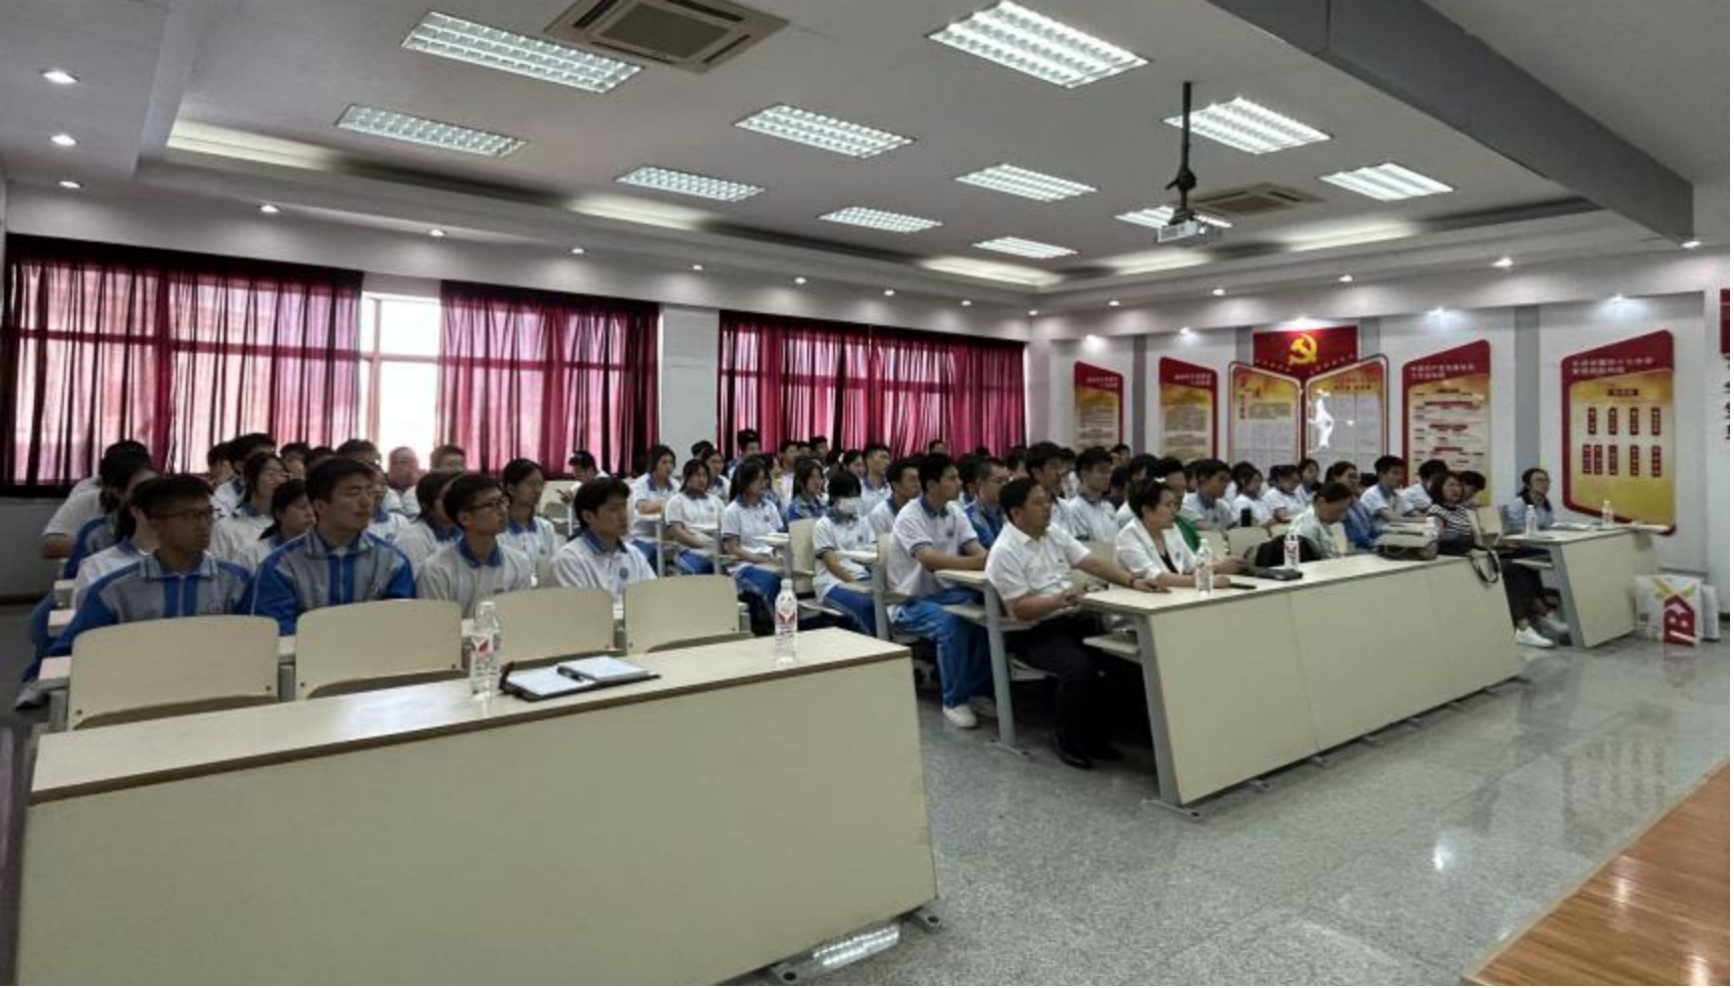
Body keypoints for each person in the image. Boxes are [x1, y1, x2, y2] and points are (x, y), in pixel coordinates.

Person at [989, 478, 1164, 768]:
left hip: (1074, 620)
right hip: (1035, 632)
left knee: (1124, 661)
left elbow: (1091, 563)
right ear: (1016, 513)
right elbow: (1019, 609)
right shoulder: (1004, 551)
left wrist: (1133, 581)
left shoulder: (1053, 532)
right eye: (1038, 502)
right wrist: (1058, 600)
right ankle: (1065, 738)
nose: (1048, 507)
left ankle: (1102, 735)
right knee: (1079, 668)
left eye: (1047, 500)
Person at [52, 475, 252, 655]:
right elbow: (73, 652)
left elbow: (255, 643)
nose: (204, 524)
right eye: (191, 516)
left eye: (208, 513)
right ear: (156, 525)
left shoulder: (237, 582)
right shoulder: (113, 592)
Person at [249, 458, 417, 636]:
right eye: (353, 493)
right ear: (320, 506)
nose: (366, 502)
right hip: (304, 654)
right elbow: (275, 632)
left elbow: (399, 626)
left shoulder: (392, 562)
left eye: (369, 492)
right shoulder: (281, 566)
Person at [888, 454, 994, 730]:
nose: (959, 483)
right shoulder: (910, 515)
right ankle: (954, 700)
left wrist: (981, 559)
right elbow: (930, 560)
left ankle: (978, 690)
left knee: (988, 615)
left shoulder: (955, 512)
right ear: (932, 484)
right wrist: (977, 562)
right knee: (952, 623)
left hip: (948, 593)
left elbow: (978, 550)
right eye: (952, 478)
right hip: (911, 600)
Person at [417, 474, 535, 619]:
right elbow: (437, 626)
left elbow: (518, 619)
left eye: (503, 501)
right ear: (465, 518)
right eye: (492, 504)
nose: (503, 510)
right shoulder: (436, 570)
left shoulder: (519, 562)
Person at [39, 441, 152, 561]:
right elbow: (49, 546)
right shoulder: (87, 500)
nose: (150, 492)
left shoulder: (160, 502)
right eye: (140, 487)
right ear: (116, 491)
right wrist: (107, 548)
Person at [1117, 483, 1248, 586]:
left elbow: (1191, 565)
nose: (1174, 511)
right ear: (1146, 510)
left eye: (1174, 505)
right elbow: (1157, 577)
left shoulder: (1171, 529)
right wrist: (1204, 581)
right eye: (1168, 505)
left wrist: (1220, 566)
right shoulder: (1128, 537)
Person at [553, 479, 658, 604]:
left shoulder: (634, 554)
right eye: (613, 509)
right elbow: (579, 611)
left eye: (624, 506)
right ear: (588, 516)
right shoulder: (569, 559)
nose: (623, 515)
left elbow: (653, 598)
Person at [720, 458, 787, 629]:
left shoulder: (769, 506)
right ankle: (780, 627)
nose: (764, 483)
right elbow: (732, 548)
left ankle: (789, 622)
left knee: (791, 577)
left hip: (770, 561)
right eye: (759, 480)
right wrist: (760, 560)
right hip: (744, 566)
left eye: (766, 479)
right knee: (772, 580)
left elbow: (779, 538)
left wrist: (778, 557)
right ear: (745, 482)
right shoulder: (732, 511)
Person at [812, 472, 879, 636]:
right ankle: (876, 644)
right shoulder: (823, 525)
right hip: (832, 583)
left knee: (886, 601)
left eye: (856, 496)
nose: (854, 500)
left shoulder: (863, 521)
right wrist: (855, 584)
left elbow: (873, 551)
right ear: (835, 497)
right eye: (849, 496)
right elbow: (832, 564)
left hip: (862, 579)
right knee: (863, 605)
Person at [212, 452, 290, 564]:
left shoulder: (290, 523)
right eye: (270, 473)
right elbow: (217, 569)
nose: (278, 480)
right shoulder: (225, 527)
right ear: (249, 478)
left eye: (282, 474)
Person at [393, 471, 464, 574]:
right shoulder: (413, 539)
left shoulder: (463, 531)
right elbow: (417, 581)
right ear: (425, 504)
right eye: (446, 498)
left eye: (456, 496)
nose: (454, 502)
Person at [664, 459, 726, 575]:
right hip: (689, 550)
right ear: (686, 478)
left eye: (704, 476)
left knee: (732, 569)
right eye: (697, 475)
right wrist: (704, 545)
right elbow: (676, 532)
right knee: (702, 569)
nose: (702, 480)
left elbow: (725, 527)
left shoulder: (716, 501)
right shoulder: (676, 501)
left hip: (716, 548)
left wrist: (722, 546)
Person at [499, 459, 561, 572]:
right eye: (531, 484)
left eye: (541, 484)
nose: (538, 490)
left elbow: (554, 568)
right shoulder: (497, 530)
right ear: (511, 489)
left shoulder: (545, 527)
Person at [241, 479, 315, 571]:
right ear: (279, 513)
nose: (310, 513)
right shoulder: (255, 555)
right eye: (302, 507)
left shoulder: (326, 553)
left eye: (314, 506)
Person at [628, 445, 680, 567]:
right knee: (653, 556)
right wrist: (669, 504)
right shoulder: (641, 484)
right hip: (642, 537)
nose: (669, 467)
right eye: (664, 462)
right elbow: (643, 508)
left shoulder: (675, 484)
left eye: (671, 463)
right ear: (653, 464)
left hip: (668, 537)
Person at [1062, 447, 1121, 543]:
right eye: (1102, 471)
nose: (1107, 476)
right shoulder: (1074, 508)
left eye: (1109, 471)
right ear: (1084, 474)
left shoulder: (1109, 507)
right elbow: (1082, 546)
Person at [1286, 483, 1359, 560]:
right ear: (1321, 502)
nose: (1341, 518)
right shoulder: (1303, 526)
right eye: (1339, 511)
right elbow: (1293, 561)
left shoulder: (1321, 521)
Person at [212, 433, 276, 519]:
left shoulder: (283, 487)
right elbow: (221, 525)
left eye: (273, 456)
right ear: (240, 466)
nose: (272, 462)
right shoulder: (222, 496)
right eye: (261, 459)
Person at [1326, 462, 1379, 552]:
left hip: (1369, 547)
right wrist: (1379, 544)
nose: (1354, 481)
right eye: (1350, 477)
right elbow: (1353, 538)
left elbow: (1373, 529)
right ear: (1336, 478)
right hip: (1352, 550)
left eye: (1356, 477)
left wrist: (1386, 540)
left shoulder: (1359, 504)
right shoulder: (1334, 505)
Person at [1426, 473, 1479, 553]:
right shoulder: (1435, 510)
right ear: (1439, 488)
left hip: (1467, 553)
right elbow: (1435, 538)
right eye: (1451, 485)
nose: (1456, 489)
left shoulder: (1462, 510)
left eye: (1459, 485)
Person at [965, 457, 1011, 549]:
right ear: (979, 483)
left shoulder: (1012, 510)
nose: (1005, 486)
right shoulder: (967, 516)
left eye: (1007, 481)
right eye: (999, 481)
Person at [1182, 459, 1240, 532]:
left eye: (1227, 481)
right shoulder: (1186, 504)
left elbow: (1234, 530)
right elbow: (1208, 531)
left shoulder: (1223, 506)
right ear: (1203, 478)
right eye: (1221, 479)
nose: (1225, 485)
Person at [868, 458, 922, 535]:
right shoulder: (879, 514)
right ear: (896, 485)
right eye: (912, 480)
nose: (918, 484)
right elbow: (880, 542)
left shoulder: (920, 508)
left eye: (918, 479)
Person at [1361, 456, 1411, 531]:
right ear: (1381, 475)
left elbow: (1410, 512)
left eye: (1402, 473)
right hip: (1377, 536)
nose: (1400, 477)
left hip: (1391, 532)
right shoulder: (1372, 494)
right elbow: (1393, 518)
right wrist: (1426, 520)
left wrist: (1425, 518)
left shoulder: (1396, 494)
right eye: (1396, 473)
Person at [365, 467, 410, 544]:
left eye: (383, 484)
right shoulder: (348, 525)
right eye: (371, 484)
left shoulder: (399, 522)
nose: (378, 489)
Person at [1504, 468, 1557, 534]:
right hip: (1525, 538)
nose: (1544, 484)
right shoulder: (1519, 503)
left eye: (1546, 480)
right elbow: (1517, 529)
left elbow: (1549, 525)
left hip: (1542, 537)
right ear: (1527, 485)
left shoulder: (1545, 502)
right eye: (1539, 480)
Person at [784, 457, 829, 524]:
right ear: (800, 481)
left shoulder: (824, 504)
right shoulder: (795, 509)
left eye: (819, 477)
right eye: (812, 477)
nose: (817, 482)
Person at [1232, 463, 1277, 527]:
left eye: (1260, 481)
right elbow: (1247, 527)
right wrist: (1267, 523)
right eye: (1255, 481)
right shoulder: (1241, 502)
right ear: (1243, 482)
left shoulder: (1260, 500)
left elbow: (1271, 519)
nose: (1259, 485)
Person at [387, 447, 423, 519]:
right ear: (391, 468)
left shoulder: (426, 487)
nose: (412, 465)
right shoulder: (384, 490)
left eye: (414, 461)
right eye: (404, 462)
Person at [861, 443, 894, 515]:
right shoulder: (856, 487)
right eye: (883, 457)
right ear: (868, 459)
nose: (888, 462)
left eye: (888, 459)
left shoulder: (892, 488)